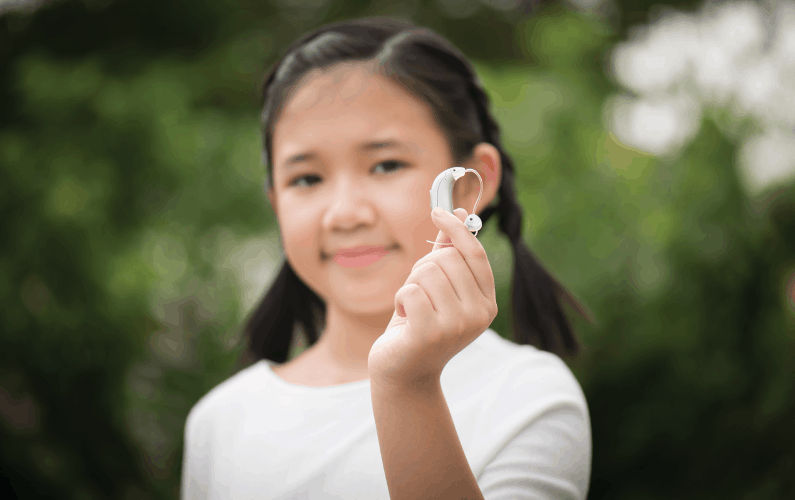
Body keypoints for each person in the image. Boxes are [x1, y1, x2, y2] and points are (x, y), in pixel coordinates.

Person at [181, 16, 595, 500]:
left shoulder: (528, 396)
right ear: (276, 201)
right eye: (307, 179)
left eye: (386, 165)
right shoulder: (221, 422)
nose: (345, 213)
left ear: (469, 183)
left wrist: (409, 386)